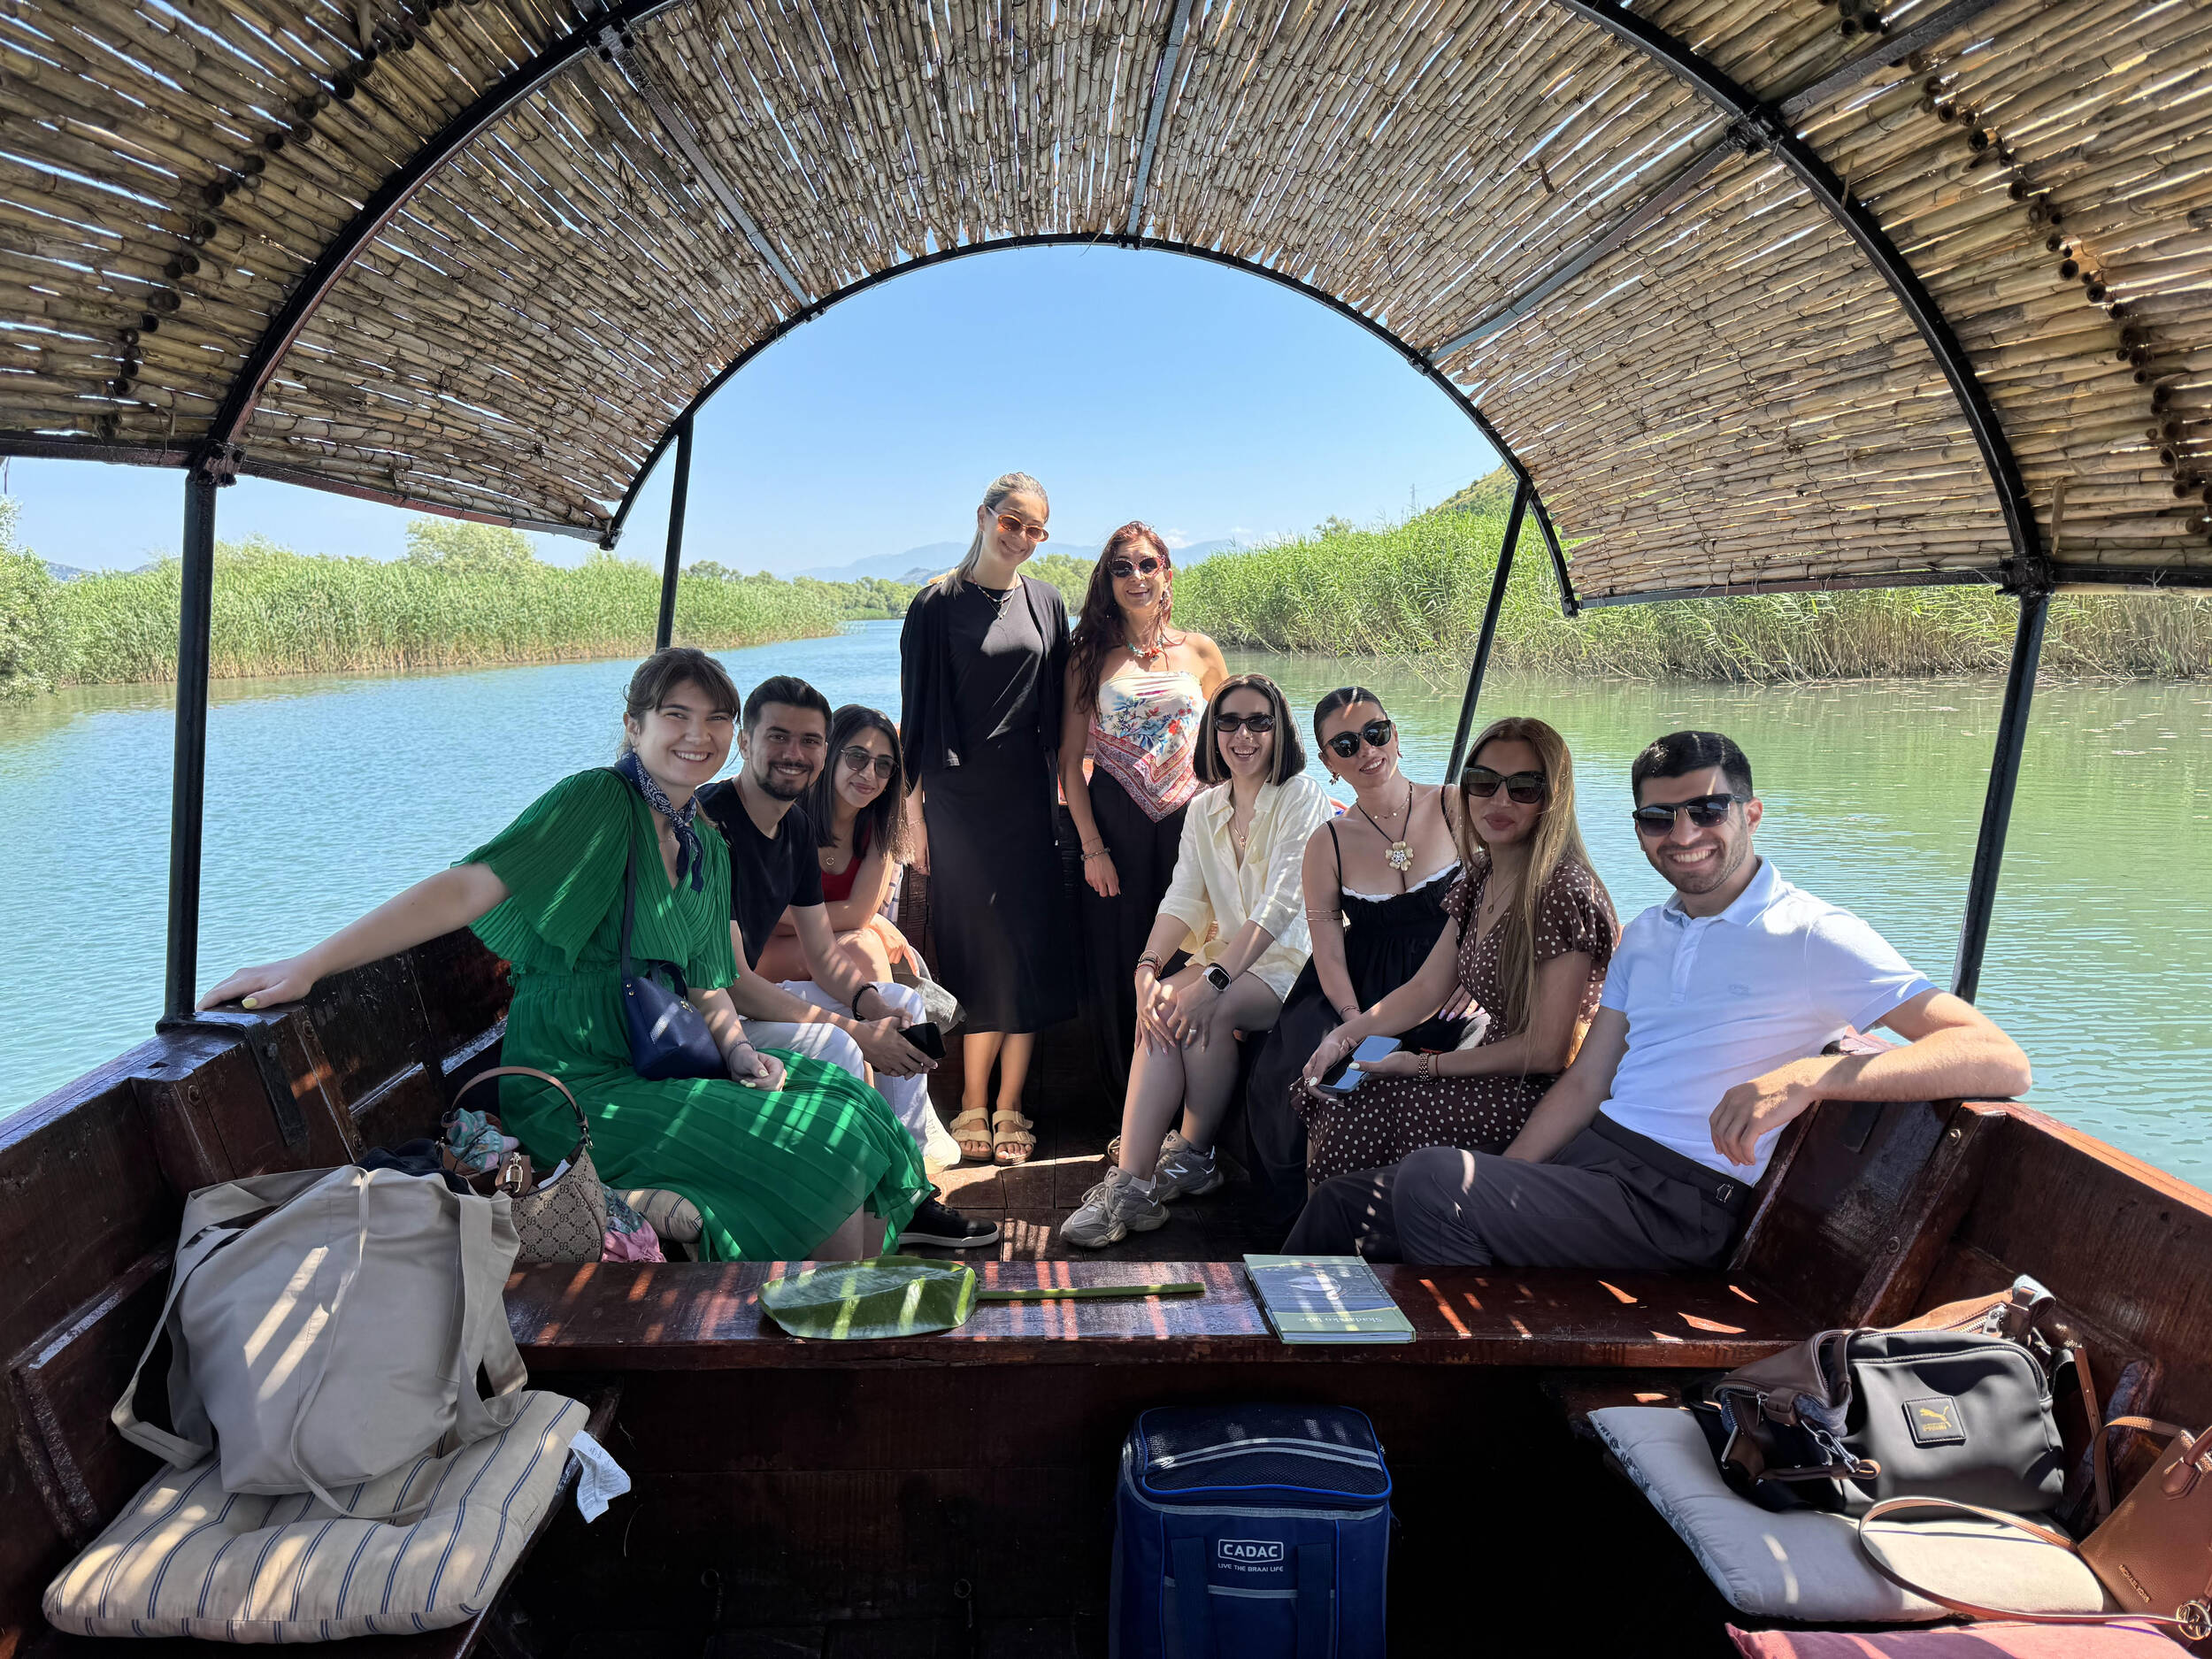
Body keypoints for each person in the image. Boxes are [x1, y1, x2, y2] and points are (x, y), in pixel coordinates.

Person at [196, 648, 934, 1263]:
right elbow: (467, 886)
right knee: (821, 1145)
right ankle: (814, 1328)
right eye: (676, 715)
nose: (697, 734)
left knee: (852, 1107)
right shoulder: (597, 803)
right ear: (634, 726)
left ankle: (842, 1312)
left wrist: (741, 1053)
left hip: (651, 1064)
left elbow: (709, 980)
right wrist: (312, 963)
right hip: (570, 1082)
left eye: (714, 717)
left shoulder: (706, 843)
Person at [1286, 731, 2033, 1270]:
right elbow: (1584, 1082)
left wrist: (1808, 1078)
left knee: (1430, 1180)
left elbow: (1998, 1057)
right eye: (1658, 817)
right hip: (1592, 1162)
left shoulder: (1811, 932)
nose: (1683, 834)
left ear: (1751, 814)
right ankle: (1260, 1354)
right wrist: (1507, 1182)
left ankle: (1464, 1381)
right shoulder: (1648, 932)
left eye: (1707, 810)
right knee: (1348, 1203)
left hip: (1679, 1200)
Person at [695, 677, 993, 1246]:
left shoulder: (794, 827)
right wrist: (857, 1030)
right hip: (704, 1016)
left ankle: (907, 1195)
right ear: (744, 740)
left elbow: (824, 953)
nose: (794, 753)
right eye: (778, 736)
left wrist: (871, 1004)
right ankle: (863, 1199)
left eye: (808, 740)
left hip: (746, 999)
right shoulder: (713, 825)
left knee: (903, 1004)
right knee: (843, 1045)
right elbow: (730, 982)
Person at [1062, 674, 1333, 1248]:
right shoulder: (1205, 807)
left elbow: (1284, 902)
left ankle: (1189, 1156)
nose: (1243, 735)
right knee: (1160, 1002)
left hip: (1293, 960)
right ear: (1213, 732)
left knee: (1206, 1005)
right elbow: (1184, 897)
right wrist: (1147, 966)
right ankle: (1140, 1181)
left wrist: (1216, 979)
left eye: (1259, 721)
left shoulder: (1300, 795)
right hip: (1230, 956)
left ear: (1280, 730)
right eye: (1229, 721)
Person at [1298, 716, 1617, 1184]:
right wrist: (1343, 1038)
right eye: (1484, 783)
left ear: (1553, 797)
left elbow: (1547, 1051)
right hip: (1494, 1065)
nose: (1500, 801)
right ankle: (1342, 1225)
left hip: (1542, 1090)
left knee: (1360, 1110)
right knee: (1328, 1090)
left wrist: (1422, 1066)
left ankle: (1354, 1225)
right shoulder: (1481, 875)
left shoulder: (1563, 893)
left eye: (1523, 787)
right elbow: (1426, 989)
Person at [900, 471, 1077, 1166]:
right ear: (983, 517)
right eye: (1012, 523)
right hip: (957, 803)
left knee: (1026, 949)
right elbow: (915, 717)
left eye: (1036, 530)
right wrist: (914, 816)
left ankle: (1010, 1104)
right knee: (977, 950)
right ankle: (972, 1099)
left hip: (1028, 801)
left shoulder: (1047, 601)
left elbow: (1064, 710)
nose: (1023, 538)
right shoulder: (934, 604)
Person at [1242, 687, 1465, 1226]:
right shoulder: (1328, 842)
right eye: (1345, 744)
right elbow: (1328, 947)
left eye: (1375, 733)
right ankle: (1316, 1222)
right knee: (1305, 1074)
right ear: (1328, 763)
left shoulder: (1455, 805)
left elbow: (1496, 903)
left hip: (1454, 974)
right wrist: (1351, 1021)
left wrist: (1476, 976)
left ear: (1395, 735)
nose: (1366, 750)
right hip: (1359, 983)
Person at [1059, 523, 1227, 1094]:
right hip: (1117, 831)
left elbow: (1234, 743)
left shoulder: (1201, 651)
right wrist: (1093, 850)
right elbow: (1070, 763)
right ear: (1108, 581)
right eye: (1122, 567)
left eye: (1146, 564)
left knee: (1191, 957)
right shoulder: (1087, 658)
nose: (1136, 576)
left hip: (1194, 827)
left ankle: (1188, 1108)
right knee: (1122, 963)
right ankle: (1124, 1105)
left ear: (1166, 572)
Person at [753, 704, 926, 991]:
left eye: (883, 765)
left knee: (864, 946)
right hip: (765, 953)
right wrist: (869, 923)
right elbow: (764, 915)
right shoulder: (785, 817)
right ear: (829, 754)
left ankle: (886, 1019)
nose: (870, 774)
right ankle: (890, 1021)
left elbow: (858, 914)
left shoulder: (880, 829)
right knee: (863, 947)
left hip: (833, 946)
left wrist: (865, 921)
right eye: (857, 758)